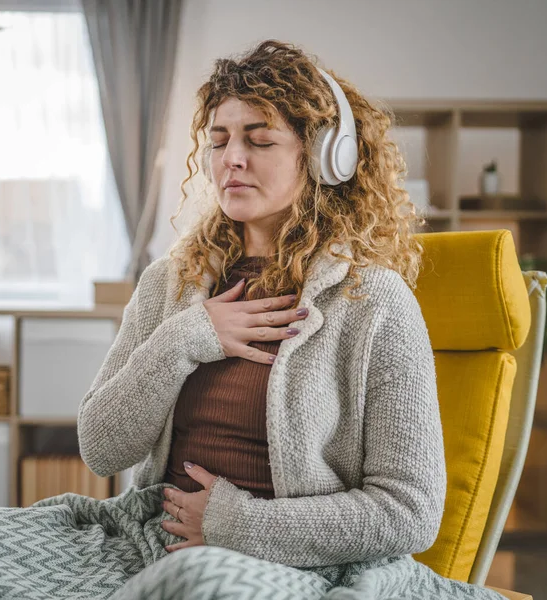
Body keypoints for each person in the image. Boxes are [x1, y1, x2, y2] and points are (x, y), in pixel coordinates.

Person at [77, 38, 451, 594]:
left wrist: (237, 526)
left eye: (260, 140)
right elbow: (102, 449)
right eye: (219, 140)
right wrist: (186, 336)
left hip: (291, 567)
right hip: (144, 542)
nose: (232, 158)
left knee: (190, 584)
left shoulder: (373, 303)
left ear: (326, 157)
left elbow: (409, 511)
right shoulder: (170, 283)